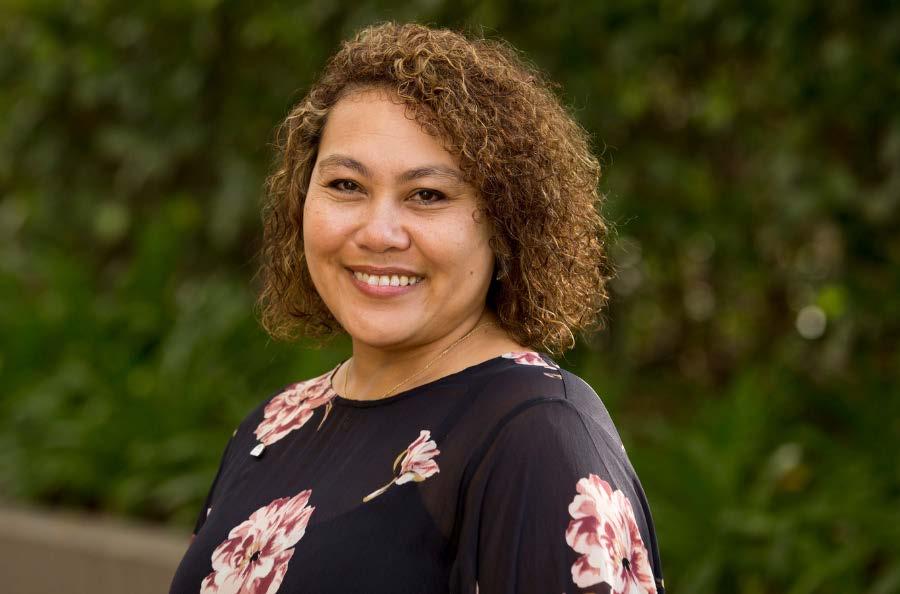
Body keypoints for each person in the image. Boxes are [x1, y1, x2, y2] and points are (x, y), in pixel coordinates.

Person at [169, 21, 665, 594]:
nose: (378, 232)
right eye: (346, 185)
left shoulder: (537, 440)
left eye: (428, 195)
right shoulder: (274, 426)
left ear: (506, 222)